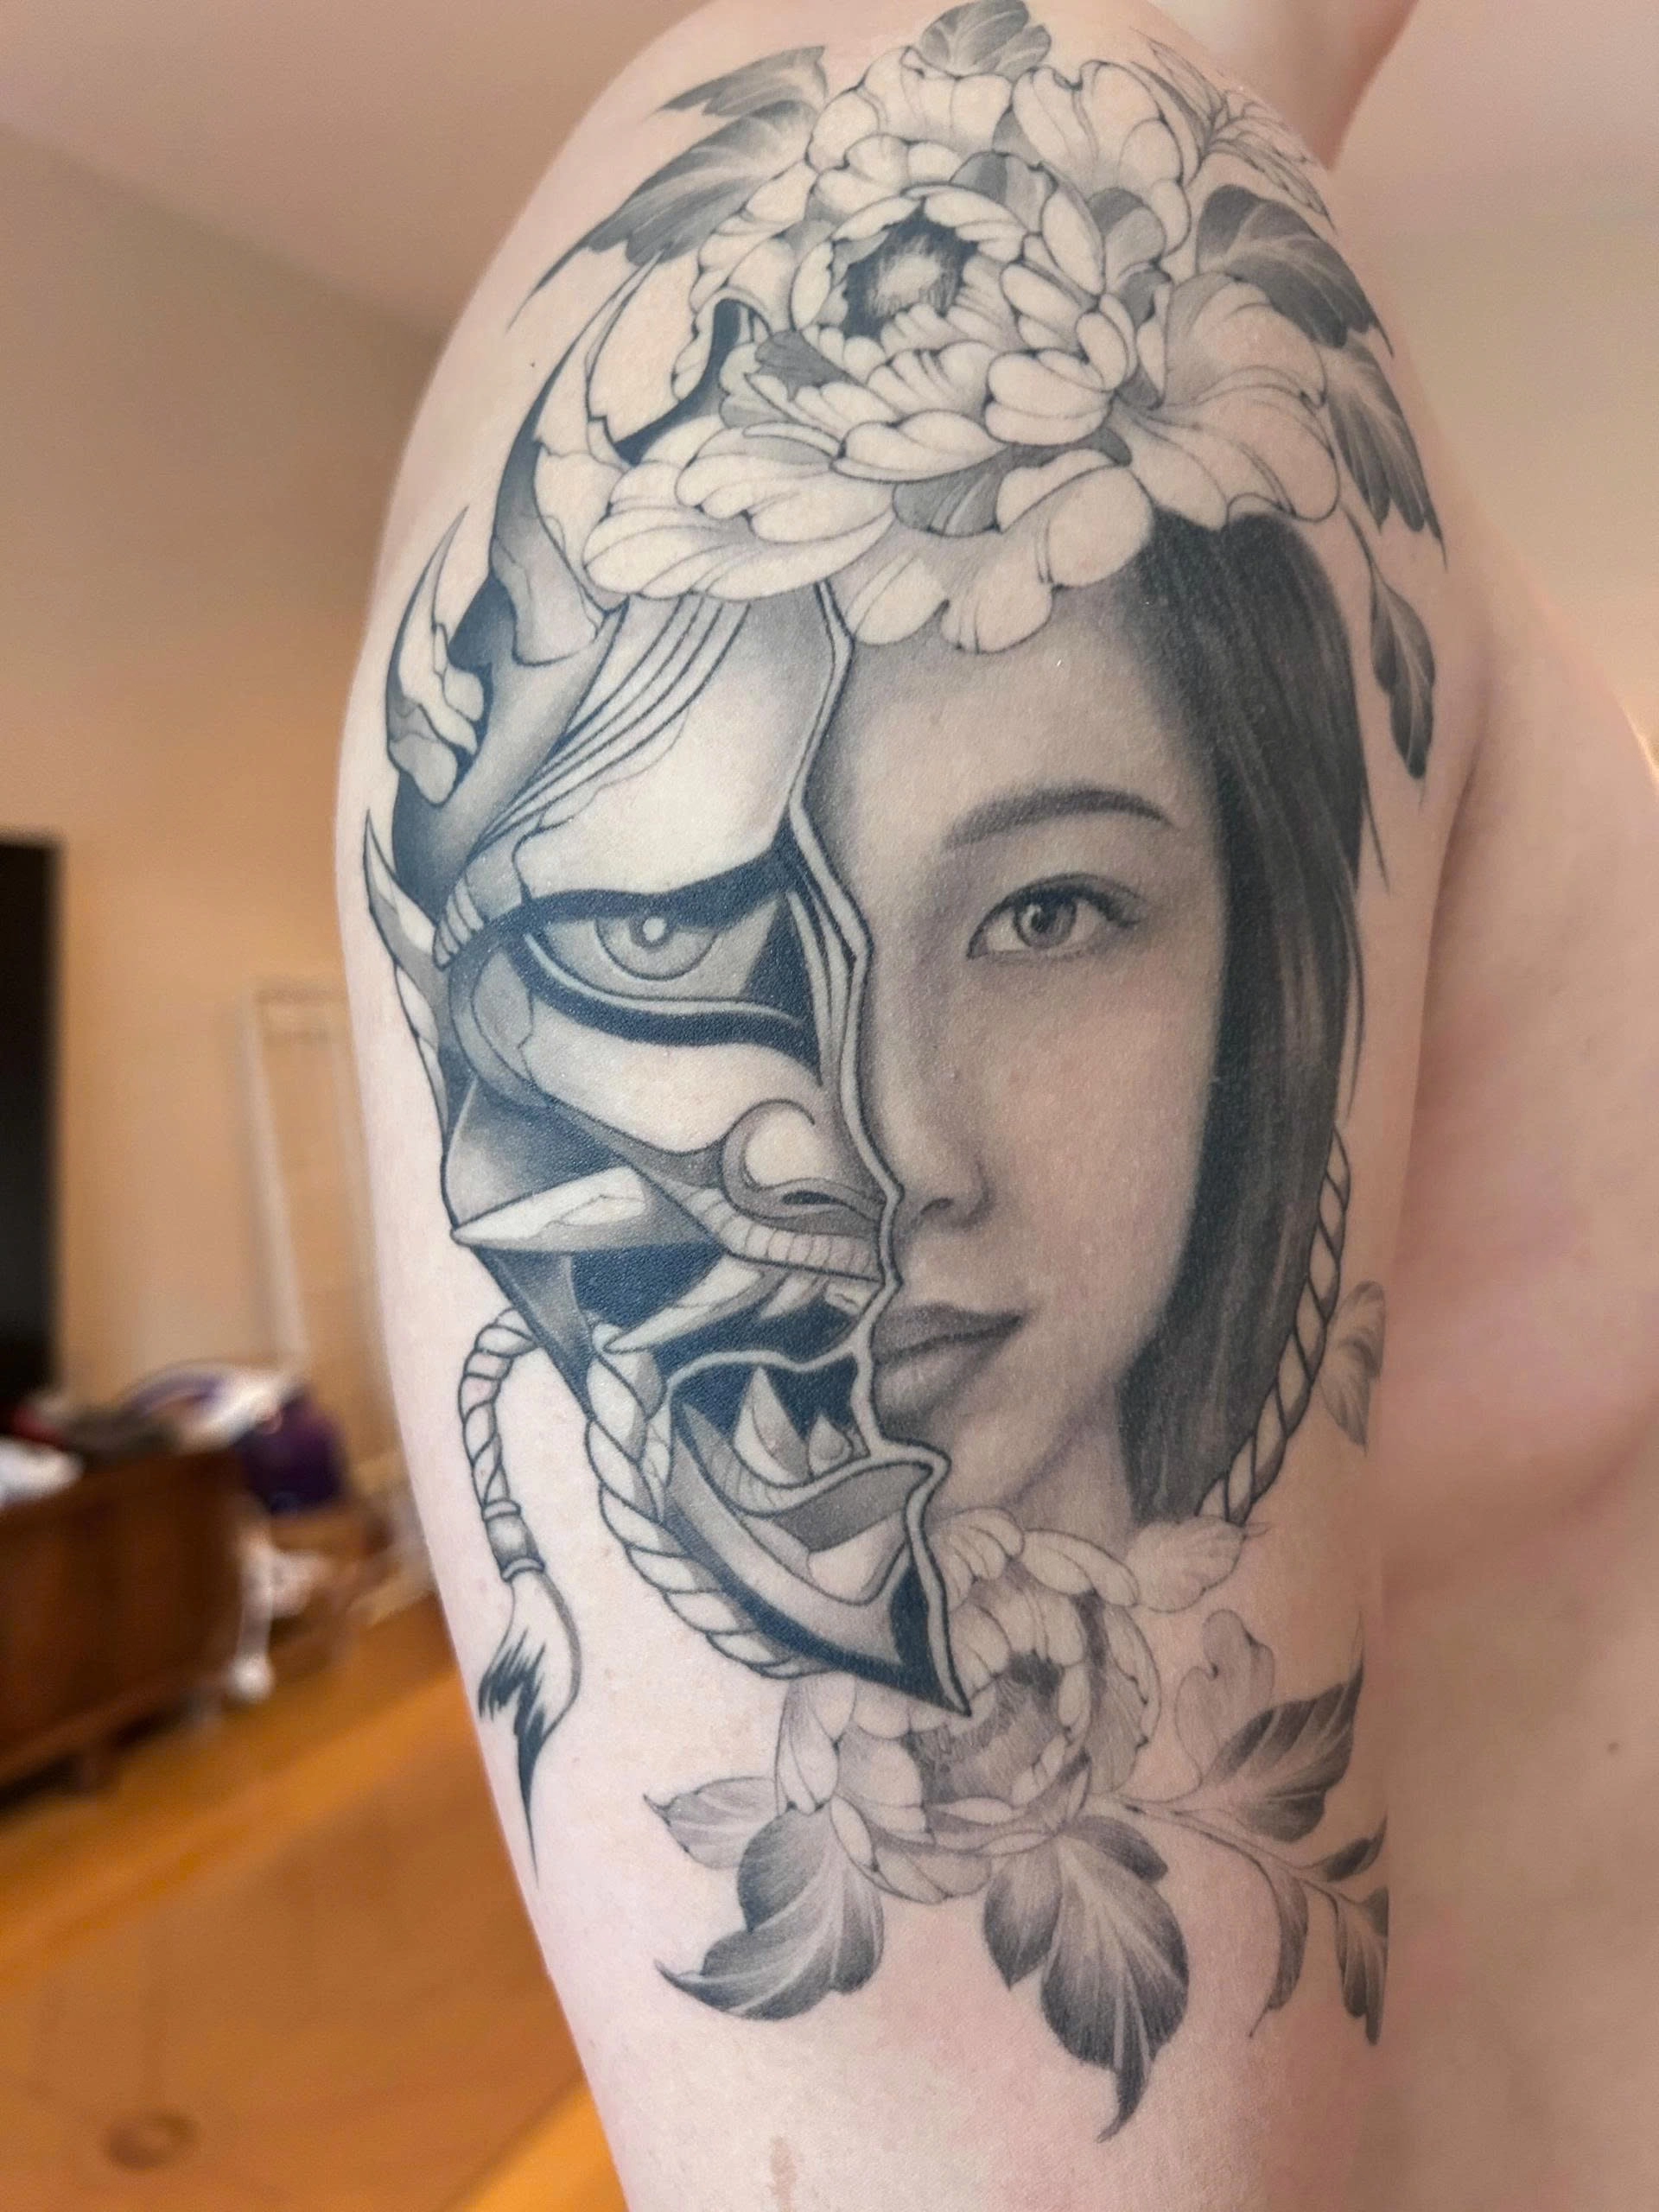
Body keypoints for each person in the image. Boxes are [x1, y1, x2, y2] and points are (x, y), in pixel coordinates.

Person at [337, 0, 1659, 2202]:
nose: (893, 1160)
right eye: (667, 937)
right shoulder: (972, 154)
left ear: (1264, 924)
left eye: (1047, 915)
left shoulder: (1183, 272)